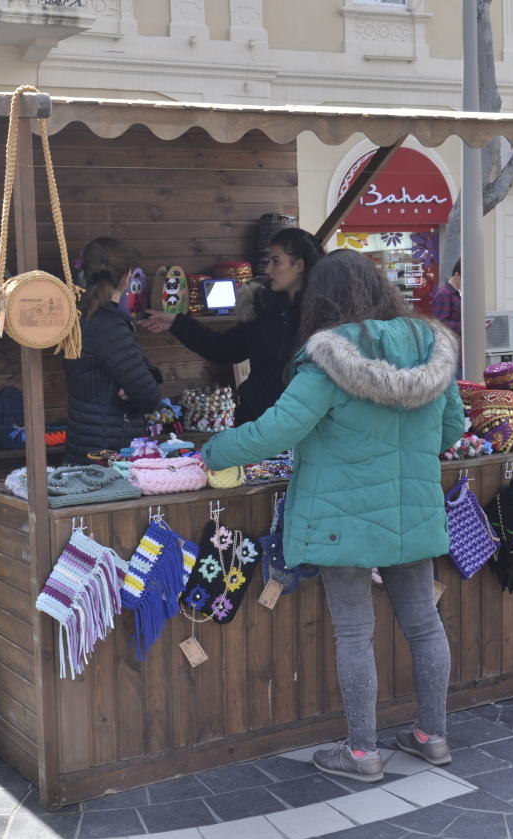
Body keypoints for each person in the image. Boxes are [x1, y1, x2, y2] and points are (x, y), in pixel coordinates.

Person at [202, 249, 463, 782]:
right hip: (411, 513)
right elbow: (451, 429)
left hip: (341, 519)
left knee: (353, 632)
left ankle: (362, 753)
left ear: (321, 297)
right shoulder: (428, 347)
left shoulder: (327, 359)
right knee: (424, 624)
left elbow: (275, 431)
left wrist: (211, 452)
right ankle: (432, 737)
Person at [140, 228, 323, 425]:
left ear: (299, 265)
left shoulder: (323, 318)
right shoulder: (262, 309)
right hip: (257, 425)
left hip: (304, 429)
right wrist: (177, 322)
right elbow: (224, 349)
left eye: (276, 261)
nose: (268, 269)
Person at [64, 237, 163, 463]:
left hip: (87, 443)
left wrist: (142, 379)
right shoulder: (108, 325)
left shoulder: (81, 318)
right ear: (128, 276)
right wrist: (147, 381)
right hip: (108, 454)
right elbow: (148, 396)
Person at [429, 259, 461, 336]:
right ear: (457, 275)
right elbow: (441, 323)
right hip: (451, 341)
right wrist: (464, 325)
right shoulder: (444, 294)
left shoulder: (455, 293)